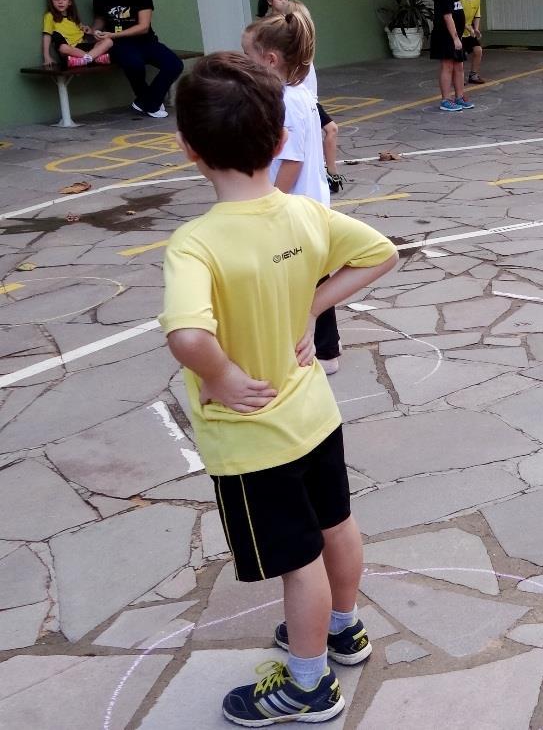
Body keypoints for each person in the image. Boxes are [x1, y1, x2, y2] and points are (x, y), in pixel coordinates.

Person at [158, 51, 397, 726]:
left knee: (299, 564)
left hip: (253, 437)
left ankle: (310, 684)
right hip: (314, 414)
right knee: (337, 526)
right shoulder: (301, 214)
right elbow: (382, 252)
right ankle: (344, 628)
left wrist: (223, 376)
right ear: (279, 138)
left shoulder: (195, 244)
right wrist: (311, 308)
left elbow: (186, 334)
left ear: (189, 151)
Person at [243, 3, 343, 376]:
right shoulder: (297, 92)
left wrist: (270, 203)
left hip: (294, 205)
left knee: (304, 279)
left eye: (247, 57)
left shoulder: (286, 100)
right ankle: (318, 345)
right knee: (307, 276)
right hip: (307, 202)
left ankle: (325, 351)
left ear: (269, 59)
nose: (245, 63)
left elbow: (292, 161)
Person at [257, 0, 345, 195]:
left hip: (298, 206)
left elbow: (293, 160)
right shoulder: (288, 95)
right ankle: (330, 174)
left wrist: (274, 202)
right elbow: (291, 160)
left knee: (325, 132)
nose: (284, 1)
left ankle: (330, 174)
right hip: (300, 203)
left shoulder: (294, 96)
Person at [91, 0, 183, 119]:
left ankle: (147, 101)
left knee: (174, 64)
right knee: (134, 64)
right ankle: (149, 103)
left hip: (144, 40)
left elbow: (143, 26)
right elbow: (100, 17)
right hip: (117, 44)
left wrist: (113, 35)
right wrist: (95, 31)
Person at [419, 0, 472, 113]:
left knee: (459, 66)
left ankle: (459, 97)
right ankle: (445, 100)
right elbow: (447, 17)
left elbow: (456, 14)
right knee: (447, 66)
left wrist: (463, 31)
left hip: (456, 36)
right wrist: (455, 37)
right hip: (445, 36)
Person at [41, 0, 112, 69]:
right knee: (63, 48)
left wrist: (90, 31)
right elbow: (47, 36)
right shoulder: (50, 16)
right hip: (69, 50)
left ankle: (85, 59)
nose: (60, 2)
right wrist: (46, 57)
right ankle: (94, 58)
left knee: (108, 41)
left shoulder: (73, 18)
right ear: (51, 2)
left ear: (69, 2)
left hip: (82, 48)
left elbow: (84, 31)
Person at [457, 0, 486, 84]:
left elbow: (477, 14)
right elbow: (456, 18)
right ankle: (459, 78)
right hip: (458, 32)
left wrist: (476, 28)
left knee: (478, 50)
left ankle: (473, 75)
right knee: (460, 56)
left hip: (470, 32)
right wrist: (467, 27)